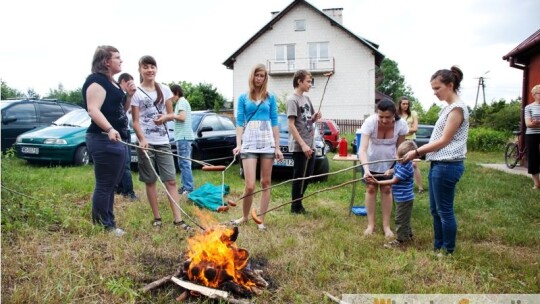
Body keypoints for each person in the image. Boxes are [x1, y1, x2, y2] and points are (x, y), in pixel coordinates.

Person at [403, 65, 469, 255]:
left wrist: (417, 152)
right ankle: (437, 247)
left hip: (448, 166)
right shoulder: (448, 108)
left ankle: (448, 250)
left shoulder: (457, 109)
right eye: (433, 89)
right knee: (435, 210)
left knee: (444, 211)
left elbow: (444, 140)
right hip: (438, 164)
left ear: (450, 85)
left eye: (437, 88)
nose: (434, 93)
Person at [131, 55, 192, 231]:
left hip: (163, 141)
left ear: (156, 69)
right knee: (150, 181)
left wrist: (164, 117)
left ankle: (178, 220)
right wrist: (142, 139)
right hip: (146, 143)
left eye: (152, 66)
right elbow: (135, 121)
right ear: (140, 70)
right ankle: (157, 218)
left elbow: (171, 114)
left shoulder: (165, 89)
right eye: (146, 67)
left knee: (171, 180)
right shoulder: (136, 92)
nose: (150, 70)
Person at [83, 45, 136, 237]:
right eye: (117, 58)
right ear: (106, 61)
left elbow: (121, 109)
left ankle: (108, 221)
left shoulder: (111, 82)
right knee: (105, 185)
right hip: (102, 138)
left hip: (115, 140)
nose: (121, 61)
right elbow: (93, 109)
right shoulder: (96, 81)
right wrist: (109, 128)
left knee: (111, 184)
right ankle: (104, 225)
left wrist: (129, 96)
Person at [232, 63, 283, 230]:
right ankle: (245, 216)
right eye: (257, 75)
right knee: (250, 185)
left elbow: (275, 122)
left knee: (266, 182)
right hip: (249, 143)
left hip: (267, 142)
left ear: (265, 78)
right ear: (252, 77)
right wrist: (238, 144)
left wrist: (277, 147)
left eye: (262, 76)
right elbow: (240, 122)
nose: (259, 79)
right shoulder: (243, 98)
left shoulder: (271, 97)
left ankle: (261, 219)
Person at [359, 98, 408, 238]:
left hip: (390, 162)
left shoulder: (401, 125)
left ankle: (386, 226)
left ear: (394, 115)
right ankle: (371, 225)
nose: (384, 120)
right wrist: (366, 169)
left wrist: (395, 167)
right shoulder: (370, 122)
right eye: (381, 116)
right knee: (371, 188)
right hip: (370, 161)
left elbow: (400, 148)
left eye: (388, 117)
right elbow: (362, 148)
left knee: (387, 189)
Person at [287, 69, 321, 214]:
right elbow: (291, 124)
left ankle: (299, 203)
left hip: (310, 143)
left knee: (308, 175)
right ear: (299, 81)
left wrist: (314, 117)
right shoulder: (292, 99)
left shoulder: (306, 99)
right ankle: (295, 207)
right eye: (308, 81)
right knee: (299, 176)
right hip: (300, 145)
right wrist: (303, 144)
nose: (310, 84)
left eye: (311, 81)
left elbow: (308, 120)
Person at [373, 140, 417, 248]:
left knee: (400, 219)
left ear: (408, 158)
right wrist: (390, 171)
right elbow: (396, 169)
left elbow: (394, 181)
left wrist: (378, 182)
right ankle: (408, 235)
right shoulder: (401, 163)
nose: (397, 159)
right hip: (400, 197)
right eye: (397, 155)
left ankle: (401, 241)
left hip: (404, 198)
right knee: (404, 217)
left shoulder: (407, 167)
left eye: (400, 157)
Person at [115, 72, 138, 201]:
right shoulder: (117, 94)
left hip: (125, 131)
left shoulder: (126, 96)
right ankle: (128, 192)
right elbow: (122, 111)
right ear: (123, 82)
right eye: (129, 83)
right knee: (125, 163)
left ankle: (121, 189)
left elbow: (125, 111)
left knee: (123, 163)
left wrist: (130, 95)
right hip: (120, 133)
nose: (131, 86)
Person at [171, 84, 195, 195]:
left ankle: (188, 188)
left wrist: (170, 116)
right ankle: (185, 186)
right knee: (184, 163)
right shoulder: (182, 102)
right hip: (183, 137)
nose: (171, 98)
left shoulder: (181, 102)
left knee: (184, 163)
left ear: (176, 93)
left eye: (171, 95)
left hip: (183, 137)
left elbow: (182, 117)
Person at [397, 96, 424, 193]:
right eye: (403, 104)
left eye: (407, 104)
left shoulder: (413, 114)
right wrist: (406, 131)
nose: (405, 105)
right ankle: (403, 184)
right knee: (400, 163)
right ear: (400, 104)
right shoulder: (397, 115)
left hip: (411, 142)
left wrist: (402, 131)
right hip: (400, 142)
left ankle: (420, 187)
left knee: (414, 164)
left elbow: (415, 129)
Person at [524, 84, 540, 189]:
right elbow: (528, 124)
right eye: (539, 93)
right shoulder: (529, 107)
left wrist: (537, 122)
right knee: (533, 158)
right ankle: (536, 183)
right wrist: (534, 123)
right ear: (534, 94)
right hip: (532, 134)